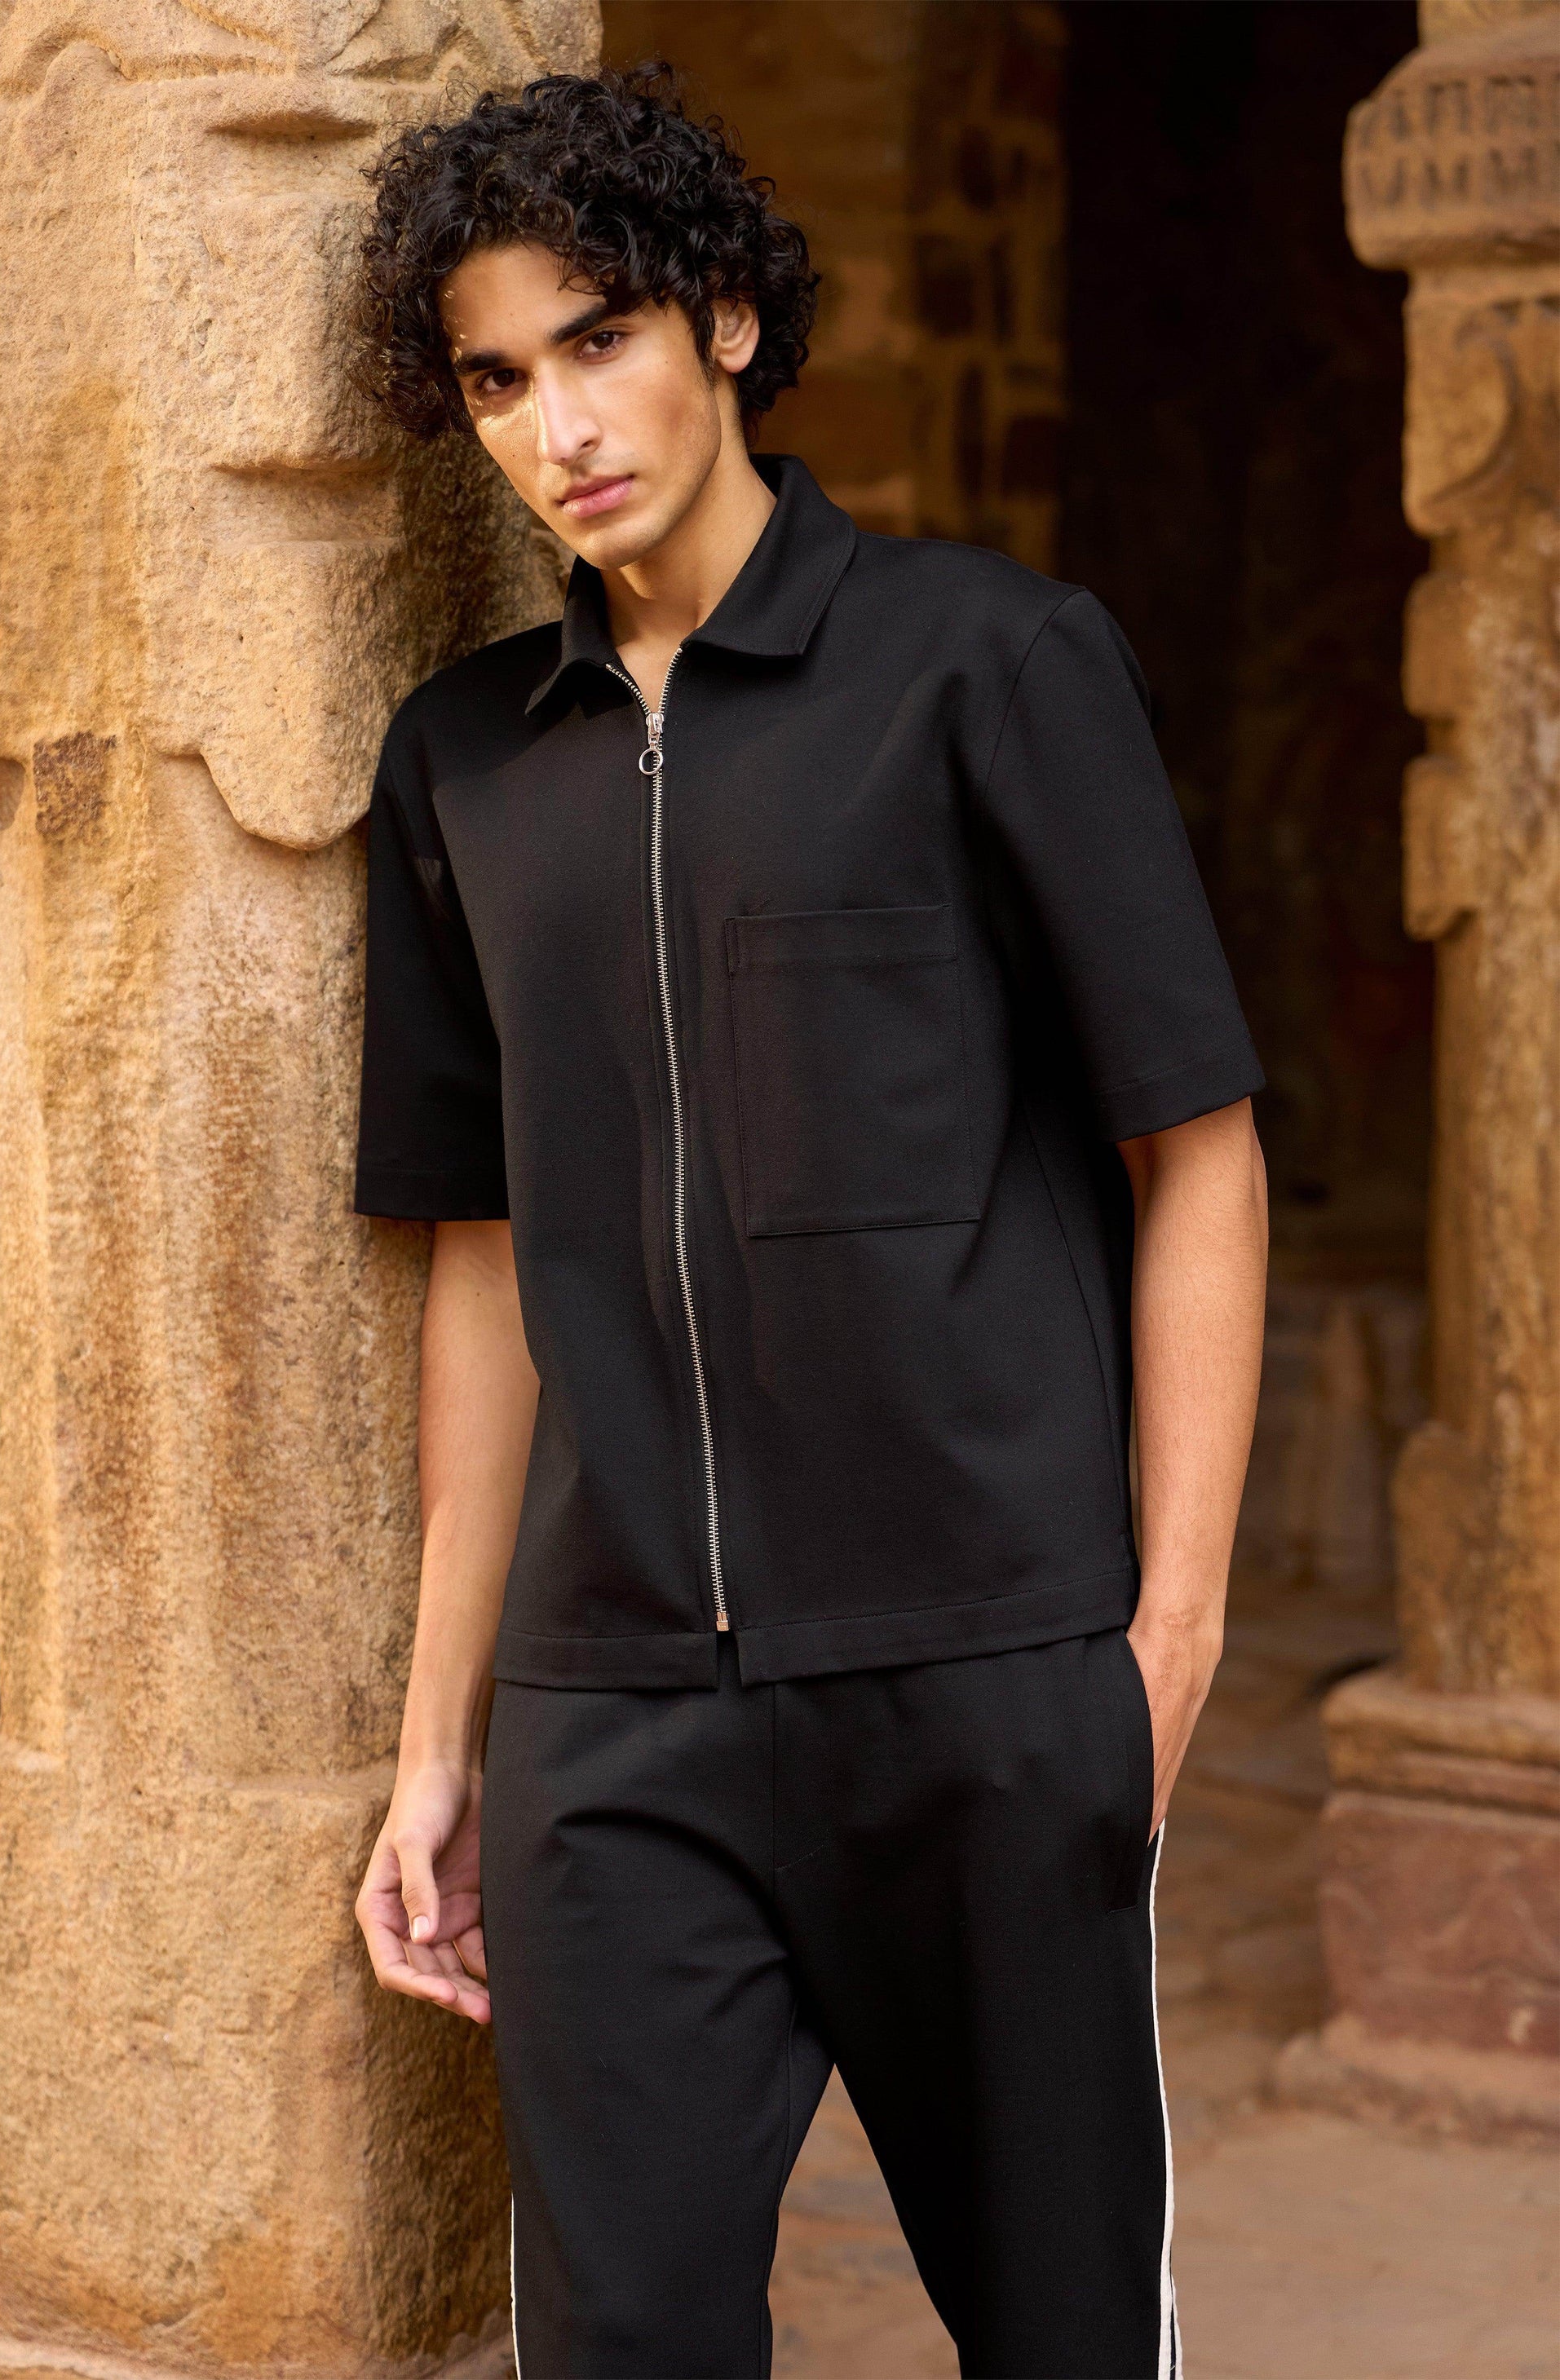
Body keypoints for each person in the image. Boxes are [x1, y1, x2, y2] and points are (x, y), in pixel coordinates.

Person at [350, 64, 1267, 2380]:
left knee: (1065, 2339)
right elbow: (482, 1258)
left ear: (727, 321)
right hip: (613, 1732)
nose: (560, 424)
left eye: (599, 337)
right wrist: (444, 1741)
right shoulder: (463, 763)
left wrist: (1156, 1652)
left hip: (984, 1689)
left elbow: (1199, 1151)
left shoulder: (989, 665)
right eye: (498, 377)